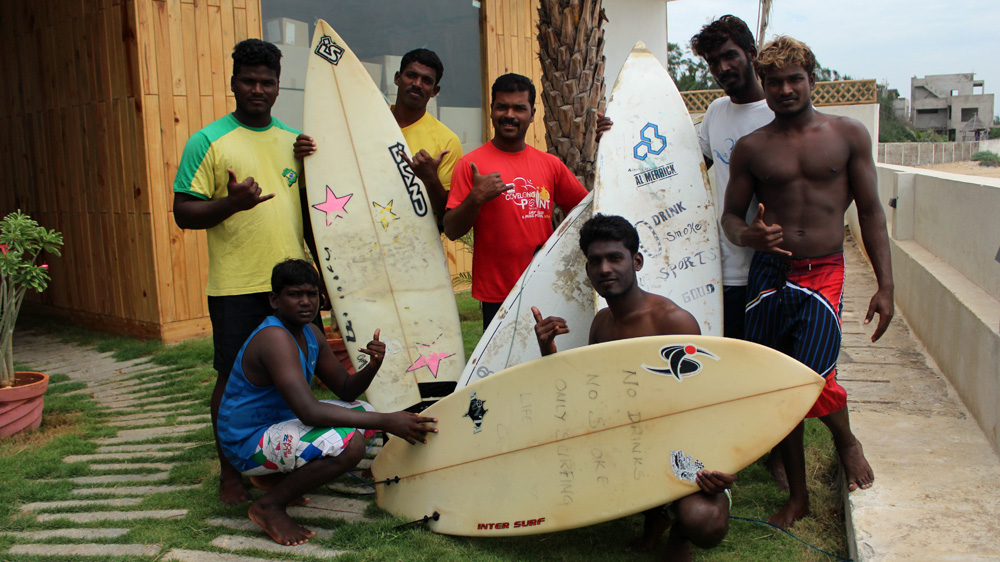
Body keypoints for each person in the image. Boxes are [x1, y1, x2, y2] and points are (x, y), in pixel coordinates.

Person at [721, 36, 892, 528]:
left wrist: (886, 285)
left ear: (812, 80)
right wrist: (750, 236)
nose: (784, 89)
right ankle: (798, 497)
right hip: (770, 274)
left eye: (794, 79)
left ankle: (845, 439)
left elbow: (873, 211)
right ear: (765, 86)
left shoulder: (847, 135)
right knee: (778, 384)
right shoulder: (753, 148)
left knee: (812, 375)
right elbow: (730, 218)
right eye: (773, 81)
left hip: (824, 271)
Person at [532, 214, 734, 562]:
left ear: (636, 261)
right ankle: (655, 515)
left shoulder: (672, 321)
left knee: (704, 521)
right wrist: (547, 351)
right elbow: (590, 397)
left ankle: (679, 535)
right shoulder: (602, 323)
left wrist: (720, 464)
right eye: (595, 261)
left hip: (684, 445)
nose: (604, 268)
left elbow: (708, 402)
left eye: (615, 257)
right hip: (634, 441)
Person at [173, 38, 315, 505]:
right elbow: (184, 213)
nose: (257, 89)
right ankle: (230, 475)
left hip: (291, 288)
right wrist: (232, 203)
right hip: (237, 287)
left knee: (292, 379)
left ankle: (274, 470)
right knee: (232, 382)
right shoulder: (208, 141)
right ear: (233, 83)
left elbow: (311, 216)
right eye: (248, 81)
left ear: (278, 86)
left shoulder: (293, 142)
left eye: (267, 82)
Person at [217, 259, 437, 546]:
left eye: (312, 294)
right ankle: (268, 506)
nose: (306, 302)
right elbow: (309, 411)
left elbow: (345, 390)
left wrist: (372, 366)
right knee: (350, 442)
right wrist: (388, 420)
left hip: (276, 428)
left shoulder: (310, 333)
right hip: (246, 443)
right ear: (275, 299)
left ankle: (275, 478)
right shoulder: (274, 337)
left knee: (364, 415)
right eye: (295, 294)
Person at [444, 73, 589, 328]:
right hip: (497, 295)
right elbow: (453, 230)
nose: (509, 114)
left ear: (532, 114)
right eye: (502, 106)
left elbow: (584, 212)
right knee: (503, 366)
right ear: (491, 111)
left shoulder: (550, 164)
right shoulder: (471, 164)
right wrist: (476, 198)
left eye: (519, 108)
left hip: (545, 285)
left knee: (548, 360)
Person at [295, 48, 463, 225]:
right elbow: (330, 171)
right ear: (397, 78)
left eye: (426, 81)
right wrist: (306, 154)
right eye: (411, 75)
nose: (417, 84)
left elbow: (447, 217)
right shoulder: (360, 124)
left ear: (435, 90)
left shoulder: (447, 141)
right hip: (356, 231)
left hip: (413, 244)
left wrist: (430, 178)